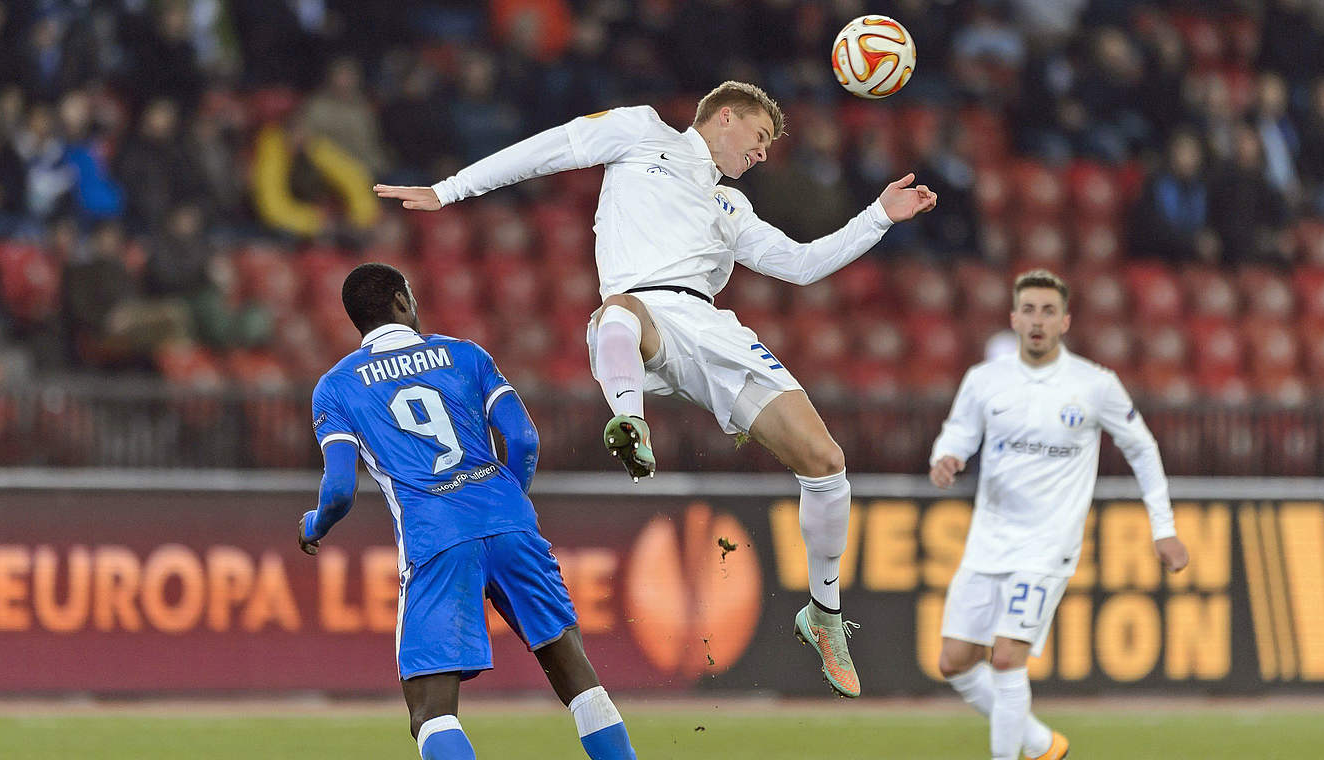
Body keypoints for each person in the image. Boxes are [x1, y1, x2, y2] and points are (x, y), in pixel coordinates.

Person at [374, 80, 938, 699]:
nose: (762, 155)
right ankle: (629, 420)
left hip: (712, 331)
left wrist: (880, 215)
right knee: (614, 311)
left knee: (827, 464)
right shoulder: (642, 132)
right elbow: (553, 148)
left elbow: (801, 265)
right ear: (726, 117)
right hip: (644, 314)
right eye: (759, 138)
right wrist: (449, 190)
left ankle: (824, 613)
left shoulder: (733, 209)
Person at [296, 263, 638, 760]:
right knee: (576, 677)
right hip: (509, 521)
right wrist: (509, 504)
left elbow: (341, 488)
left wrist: (314, 524)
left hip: (436, 537)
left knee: (432, 712)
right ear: (400, 302)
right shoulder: (466, 354)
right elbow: (523, 438)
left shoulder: (336, 386)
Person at [928, 269, 1190, 760]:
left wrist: (1164, 529)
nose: (1037, 321)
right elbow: (957, 432)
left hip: (1049, 546)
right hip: (989, 539)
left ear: (1065, 321)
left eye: (1048, 311)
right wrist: (945, 458)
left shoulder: (1094, 385)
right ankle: (1044, 745)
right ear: (1013, 318)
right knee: (955, 662)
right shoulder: (985, 380)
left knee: (1006, 659)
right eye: (1028, 310)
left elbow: (1143, 450)